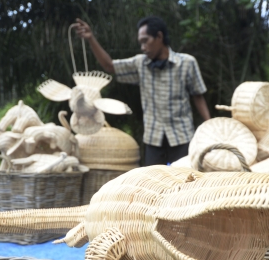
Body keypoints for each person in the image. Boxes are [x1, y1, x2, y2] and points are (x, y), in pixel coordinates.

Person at [75, 16, 211, 166]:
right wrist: (91, 38)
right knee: (151, 183)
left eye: (145, 41)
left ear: (159, 36)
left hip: (182, 137)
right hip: (153, 139)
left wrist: (209, 126)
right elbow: (110, 66)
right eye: (141, 43)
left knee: (185, 181)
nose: (143, 47)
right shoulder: (140, 64)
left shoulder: (186, 63)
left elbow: (197, 95)